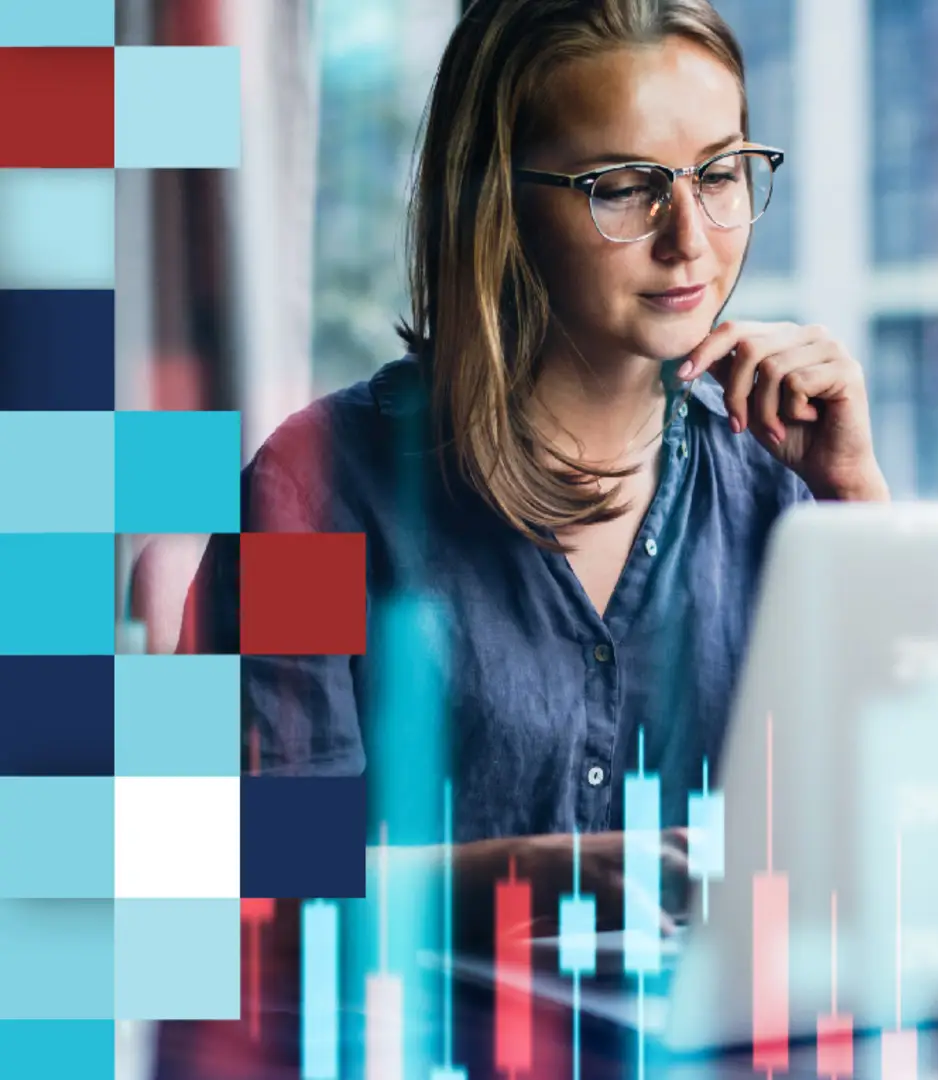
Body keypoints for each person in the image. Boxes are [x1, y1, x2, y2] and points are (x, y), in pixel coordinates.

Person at [181, 0, 889, 947]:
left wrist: (858, 508)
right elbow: (257, 886)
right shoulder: (312, 494)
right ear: (497, 202)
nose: (690, 237)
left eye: (720, 173)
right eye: (624, 187)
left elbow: (914, 845)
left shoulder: (785, 499)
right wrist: (522, 881)